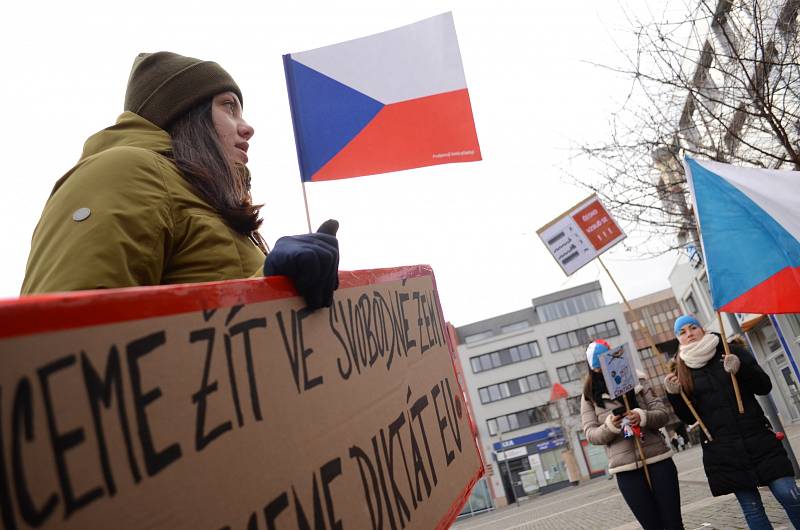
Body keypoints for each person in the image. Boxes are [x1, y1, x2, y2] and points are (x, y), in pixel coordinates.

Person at [21, 51, 338, 309]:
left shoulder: (208, 201)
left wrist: (276, 284)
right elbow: (68, 333)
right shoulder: (126, 168)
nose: (247, 127)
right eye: (229, 107)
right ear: (185, 113)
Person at [664, 314, 800, 529]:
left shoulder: (730, 349)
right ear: (678, 339)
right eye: (682, 332)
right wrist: (674, 396)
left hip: (758, 438)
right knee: (752, 508)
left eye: (693, 328)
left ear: (703, 329)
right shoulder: (680, 370)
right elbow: (690, 417)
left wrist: (741, 369)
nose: (689, 334)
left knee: (790, 494)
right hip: (724, 449)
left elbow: (764, 386)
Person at [581, 339, 684, 530]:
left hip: (658, 460)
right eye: (597, 369)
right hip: (626, 470)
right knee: (652, 526)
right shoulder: (589, 396)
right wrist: (610, 426)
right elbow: (591, 434)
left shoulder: (638, 379)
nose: (602, 372)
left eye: (605, 365)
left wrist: (642, 416)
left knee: (673, 524)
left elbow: (662, 414)